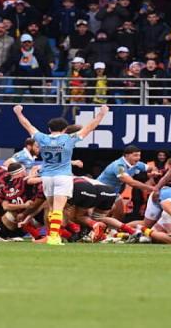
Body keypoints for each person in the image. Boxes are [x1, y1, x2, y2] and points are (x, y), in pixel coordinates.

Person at [12, 104, 109, 245]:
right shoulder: (68, 138)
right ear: (64, 129)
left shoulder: (42, 138)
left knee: (51, 208)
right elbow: (89, 127)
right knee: (58, 209)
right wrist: (101, 114)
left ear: (49, 129)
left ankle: (53, 235)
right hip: (63, 176)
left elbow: (27, 125)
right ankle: (53, 237)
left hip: (46, 177)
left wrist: (19, 113)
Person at [96, 145, 154, 222]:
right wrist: (151, 188)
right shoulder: (119, 166)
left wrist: (153, 174)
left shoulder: (136, 163)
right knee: (103, 215)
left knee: (120, 214)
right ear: (127, 155)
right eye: (135, 155)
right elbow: (131, 182)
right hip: (101, 191)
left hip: (114, 193)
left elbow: (150, 168)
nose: (138, 158)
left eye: (139, 155)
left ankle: (111, 231)